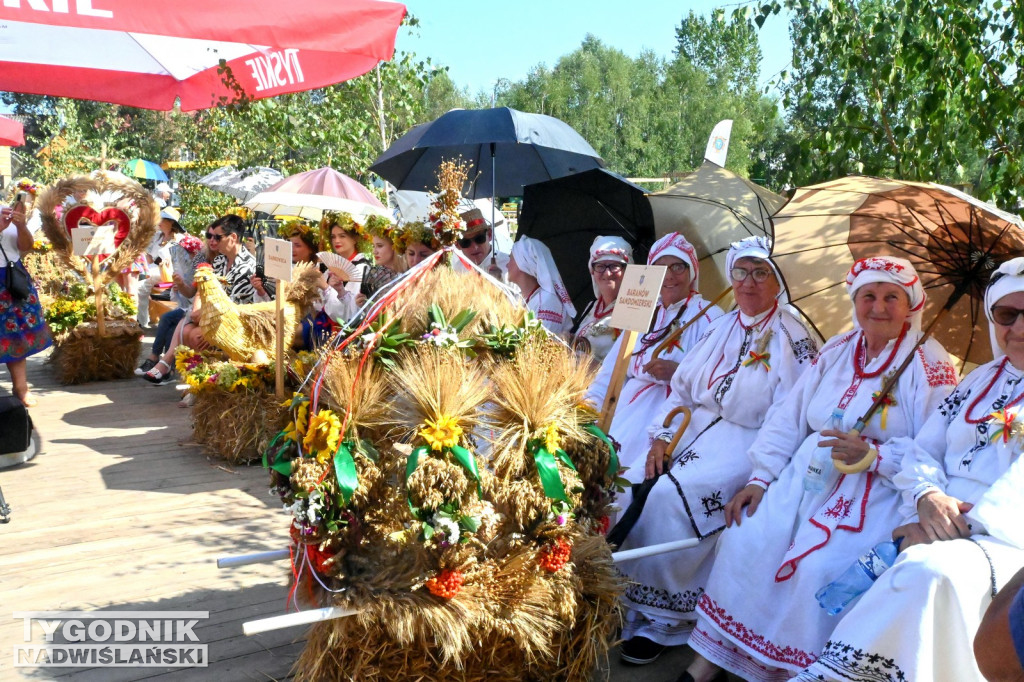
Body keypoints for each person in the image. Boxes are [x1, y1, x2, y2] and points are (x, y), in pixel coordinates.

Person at [684, 256, 959, 682]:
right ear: (855, 301)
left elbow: (934, 448)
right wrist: (760, 478)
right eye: (868, 296)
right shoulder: (837, 348)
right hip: (804, 480)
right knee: (746, 540)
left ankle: (797, 670)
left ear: (911, 305)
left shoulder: (928, 361)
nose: (879, 307)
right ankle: (714, 656)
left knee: (819, 569)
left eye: (892, 297)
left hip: (878, 493)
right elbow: (789, 415)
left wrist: (875, 455)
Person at [795, 258, 1024, 682]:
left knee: (925, 572)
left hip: (1004, 537)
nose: (1019, 329)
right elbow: (924, 450)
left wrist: (958, 525)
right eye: (1008, 315)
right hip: (935, 516)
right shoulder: (979, 381)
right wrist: (926, 496)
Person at [615, 237, 819, 666]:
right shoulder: (722, 325)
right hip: (696, 429)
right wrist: (658, 436)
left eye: (760, 272)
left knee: (672, 499)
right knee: (632, 484)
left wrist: (763, 471)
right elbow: (683, 387)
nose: (748, 282)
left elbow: (790, 414)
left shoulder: (791, 334)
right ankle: (628, 602)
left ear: (778, 280)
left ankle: (665, 618)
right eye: (741, 272)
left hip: (749, 440)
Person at [585, 232, 722, 480]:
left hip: (672, 415)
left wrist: (676, 372)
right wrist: (588, 409)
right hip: (625, 408)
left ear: (692, 271)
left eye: (678, 266)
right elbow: (613, 369)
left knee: (626, 479)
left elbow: (716, 377)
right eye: (661, 267)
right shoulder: (641, 307)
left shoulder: (710, 316)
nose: (669, 275)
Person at [142, 214, 255, 384]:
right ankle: (194, 382)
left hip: (235, 323)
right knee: (186, 327)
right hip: (213, 316)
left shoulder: (247, 266)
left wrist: (203, 314)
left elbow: (234, 305)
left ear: (233, 238)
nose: (213, 241)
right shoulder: (219, 261)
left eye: (218, 237)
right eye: (210, 236)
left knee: (192, 334)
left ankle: (191, 379)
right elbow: (203, 291)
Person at [135, 230, 209, 376]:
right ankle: (161, 362)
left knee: (168, 320)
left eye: (188, 253)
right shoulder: (196, 266)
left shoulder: (203, 265)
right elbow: (190, 292)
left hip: (197, 309)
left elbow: (194, 294)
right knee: (169, 323)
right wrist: (179, 286)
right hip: (190, 307)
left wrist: (182, 287)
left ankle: (160, 362)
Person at [0, 198, 52, 407]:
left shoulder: (5, 207)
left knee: (16, 333)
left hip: (11, 280)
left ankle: (21, 388)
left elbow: (25, 246)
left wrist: (20, 226)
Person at [573, 236, 633, 363]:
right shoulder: (592, 306)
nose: (607, 273)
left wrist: (595, 367)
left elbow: (630, 361)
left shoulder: (633, 310)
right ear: (592, 271)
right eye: (600, 266)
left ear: (627, 270)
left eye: (614, 266)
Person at [507, 237, 576, 334]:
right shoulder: (525, 298)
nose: (507, 263)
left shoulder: (547, 301)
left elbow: (539, 344)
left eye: (511, 258)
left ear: (522, 263)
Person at [136, 207, 184, 329]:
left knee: (140, 287)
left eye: (161, 219)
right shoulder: (157, 236)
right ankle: (140, 320)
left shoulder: (178, 239)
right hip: (154, 269)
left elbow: (175, 262)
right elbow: (150, 258)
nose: (158, 222)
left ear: (171, 222)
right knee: (134, 278)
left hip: (168, 272)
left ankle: (141, 322)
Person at [322, 211, 372, 296]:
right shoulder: (332, 266)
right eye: (333, 237)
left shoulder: (360, 268)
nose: (336, 241)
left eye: (342, 236)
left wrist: (327, 288)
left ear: (355, 238)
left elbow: (351, 306)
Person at [453, 207, 509, 278]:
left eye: (479, 239)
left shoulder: (508, 266)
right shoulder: (459, 268)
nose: (474, 247)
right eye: (465, 242)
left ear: (489, 235)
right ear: (457, 245)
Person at [362, 216, 406, 298]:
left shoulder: (405, 276)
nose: (374, 251)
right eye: (373, 246)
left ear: (394, 246)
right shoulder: (373, 275)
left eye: (379, 246)